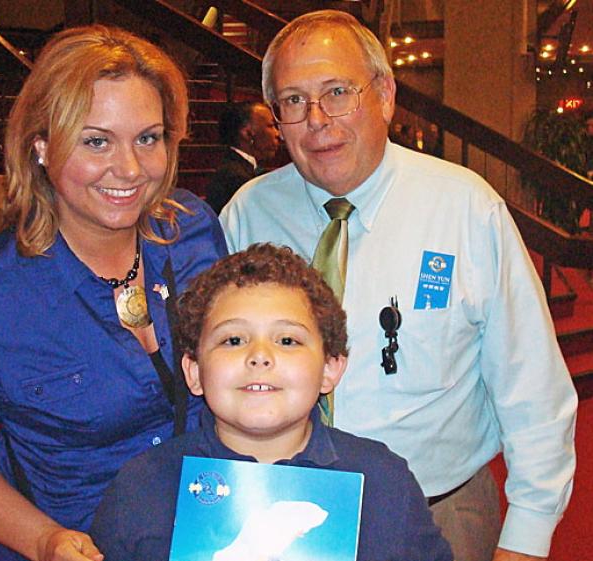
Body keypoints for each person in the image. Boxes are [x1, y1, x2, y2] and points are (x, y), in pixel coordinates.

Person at [219, 10, 578, 561]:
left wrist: (526, 538)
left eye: (338, 92)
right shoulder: (248, 213)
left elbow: (533, 388)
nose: (317, 119)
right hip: (281, 513)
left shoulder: (464, 207)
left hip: (440, 515)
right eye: (293, 101)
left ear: (384, 95)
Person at [0, 25, 227, 561]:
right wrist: (43, 540)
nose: (129, 168)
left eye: (148, 137)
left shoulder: (193, 231)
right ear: (42, 148)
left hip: (196, 532)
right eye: (96, 140)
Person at [89, 243, 453, 561]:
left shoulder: (384, 481)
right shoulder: (142, 487)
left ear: (330, 368)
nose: (259, 356)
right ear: (195, 372)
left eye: (287, 341)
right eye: (233, 340)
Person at [205, 101, 280, 213]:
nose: (277, 134)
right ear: (247, 133)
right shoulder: (235, 178)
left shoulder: (242, 170)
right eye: (271, 126)